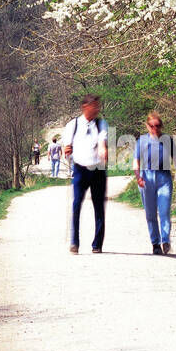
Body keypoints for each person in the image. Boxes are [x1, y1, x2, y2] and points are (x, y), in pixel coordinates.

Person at [62, 95, 109, 253]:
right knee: (76, 205)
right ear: (85, 107)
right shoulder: (72, 125)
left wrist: (103, 152)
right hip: (80, 169)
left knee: (99, 206)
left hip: (98, 170)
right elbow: (67, 148)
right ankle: (74, 242)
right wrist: (66, 152)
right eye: (94, 106)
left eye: (98, 106)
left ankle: (97, 244)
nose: (97, 109)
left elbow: (103, 142)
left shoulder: (101, 124)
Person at [135, 111, 176, 254]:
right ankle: (155, 243)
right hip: (147, 178)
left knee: (164, 210)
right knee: (150, 214)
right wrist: (138, 176)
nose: (155, 129)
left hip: (164, 178)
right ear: (147, 126)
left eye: (158, 126)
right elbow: (135, 162)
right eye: (152, 126)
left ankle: (165, 240)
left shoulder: (168, 140)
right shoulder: (142, 141)